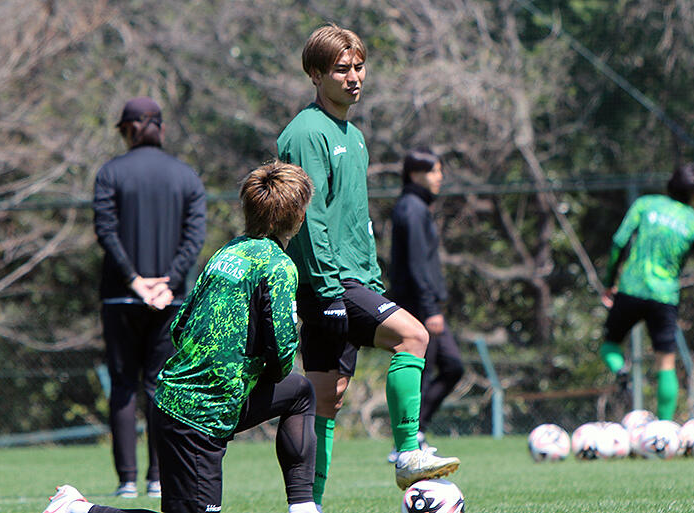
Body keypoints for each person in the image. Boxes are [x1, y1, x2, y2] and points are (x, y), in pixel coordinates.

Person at [43, 161, 319, 513]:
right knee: (298, 388)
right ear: (298, 218)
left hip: (173, 400)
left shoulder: (227, 253)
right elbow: (282, 356)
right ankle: (78, 509)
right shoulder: (278, 266)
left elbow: (179, 326)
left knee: (299, 392)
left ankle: (303, 508)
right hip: (199, 418)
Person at [276, 23, 459, 508]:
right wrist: (328, 291)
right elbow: (309, 217)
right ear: (315, 74)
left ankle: (305, 503)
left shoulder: (353, 136)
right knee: (414, 336)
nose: (354, 77)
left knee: (323, 400)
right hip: (329, 282)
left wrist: (370, 277)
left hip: (353, 278)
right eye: (341, 69)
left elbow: (353, 218)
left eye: (358, 67)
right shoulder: (306, 133)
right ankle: (407, 451)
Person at [93, 97, 207, 498]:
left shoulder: (110, 173)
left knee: (124, 386)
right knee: (162, 386)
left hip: (121, 299)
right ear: (160, 127)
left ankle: (126, 481)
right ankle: (159, 478)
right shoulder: (187, 176)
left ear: (128, 129)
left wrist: (133, 280)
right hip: (171, 301)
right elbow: (195, 237)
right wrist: (168, 281)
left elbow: (105, 230)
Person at [599, 163, 694, 421]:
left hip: (631, 288)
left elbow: (619, 241)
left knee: (609, 346)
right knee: (665, 362)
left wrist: (609, 282)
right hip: (664, 298)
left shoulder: (645, 205)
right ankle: (664, 429)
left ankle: (620, 369)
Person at [387, 148, 464, 462]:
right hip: (418, 306)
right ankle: (405, 444)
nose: (440, 177)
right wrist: (429, 308)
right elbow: (417, 265)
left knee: (453, 367)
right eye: (434, 171)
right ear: (415, 174)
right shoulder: (412, 208)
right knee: (423, 371)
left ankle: (416, 432)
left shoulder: (417, 206)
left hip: (426, 303)